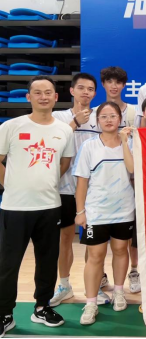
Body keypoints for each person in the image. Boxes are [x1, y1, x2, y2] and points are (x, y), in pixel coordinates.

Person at [0, 76, 75, 336]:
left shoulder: (64, 130)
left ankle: (42, 307)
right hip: (15, 207)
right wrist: (9, 184)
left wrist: (49, 181)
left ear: (56, 97)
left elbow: (65, 162)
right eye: (38, 92)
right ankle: (5, 313)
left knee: (47, 261)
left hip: (50, 206)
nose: (43, 97)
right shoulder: (11, 126)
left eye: (48, 92)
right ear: (28, 97)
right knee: (8, 264)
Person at [51, 73, 112, 307]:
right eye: (81, 88)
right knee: (65, 239)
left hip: (94, 191)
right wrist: (75, 123)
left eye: (90, 89)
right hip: (65, 188)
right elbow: (54, 143)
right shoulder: (59, 117)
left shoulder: (101, 116)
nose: (86, 92)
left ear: (95, 93)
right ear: (72, 91)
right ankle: (64, 285)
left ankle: (93, 287)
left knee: (93, 242)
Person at [74, 103, 135, 326]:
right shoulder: (89, 146)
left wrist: (126, 141)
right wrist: (80, 211)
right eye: (104, 116)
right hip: (96, 211)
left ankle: (119, 292)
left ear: (120, 119)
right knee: (95, 256)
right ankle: (91, 303)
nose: (109, 120)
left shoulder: (130, 143)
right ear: (97, 120)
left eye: (113, 116)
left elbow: (133, 171)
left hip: (125, 210)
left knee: (120, 250)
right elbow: (82, 182)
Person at [99, 66, 141, 295]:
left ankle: (134, 271)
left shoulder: (134, 112)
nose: (114, 86)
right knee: (97, 242)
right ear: (103, 84)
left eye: (118, 82)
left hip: (131, 181)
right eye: (109, 81)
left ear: (124, 85)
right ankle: (100, 275)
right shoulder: (97, 112)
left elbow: (142, 142)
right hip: (103, 184)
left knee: (130, 236)